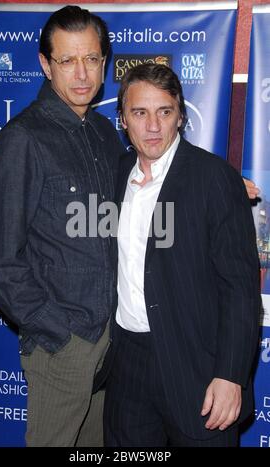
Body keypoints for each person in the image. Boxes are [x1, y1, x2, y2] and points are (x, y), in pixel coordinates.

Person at [0, 5, 124, 447]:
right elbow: (0, 263)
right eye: (67, 60)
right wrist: (59, 333)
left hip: (111, 339)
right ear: (45, 64)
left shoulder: (103, 131)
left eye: (92, 59)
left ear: (105, 62)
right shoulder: (22, 139)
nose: (82, 74)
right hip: (63, 345)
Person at [103, 63, 261, 447]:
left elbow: (240, 289)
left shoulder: (214, 179)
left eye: (165, 112)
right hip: (126, 367)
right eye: (140, 113)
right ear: (123, 119)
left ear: (181, 117)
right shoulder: (115, 172)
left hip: (198, 368)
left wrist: (230, 375)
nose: (153, 126)